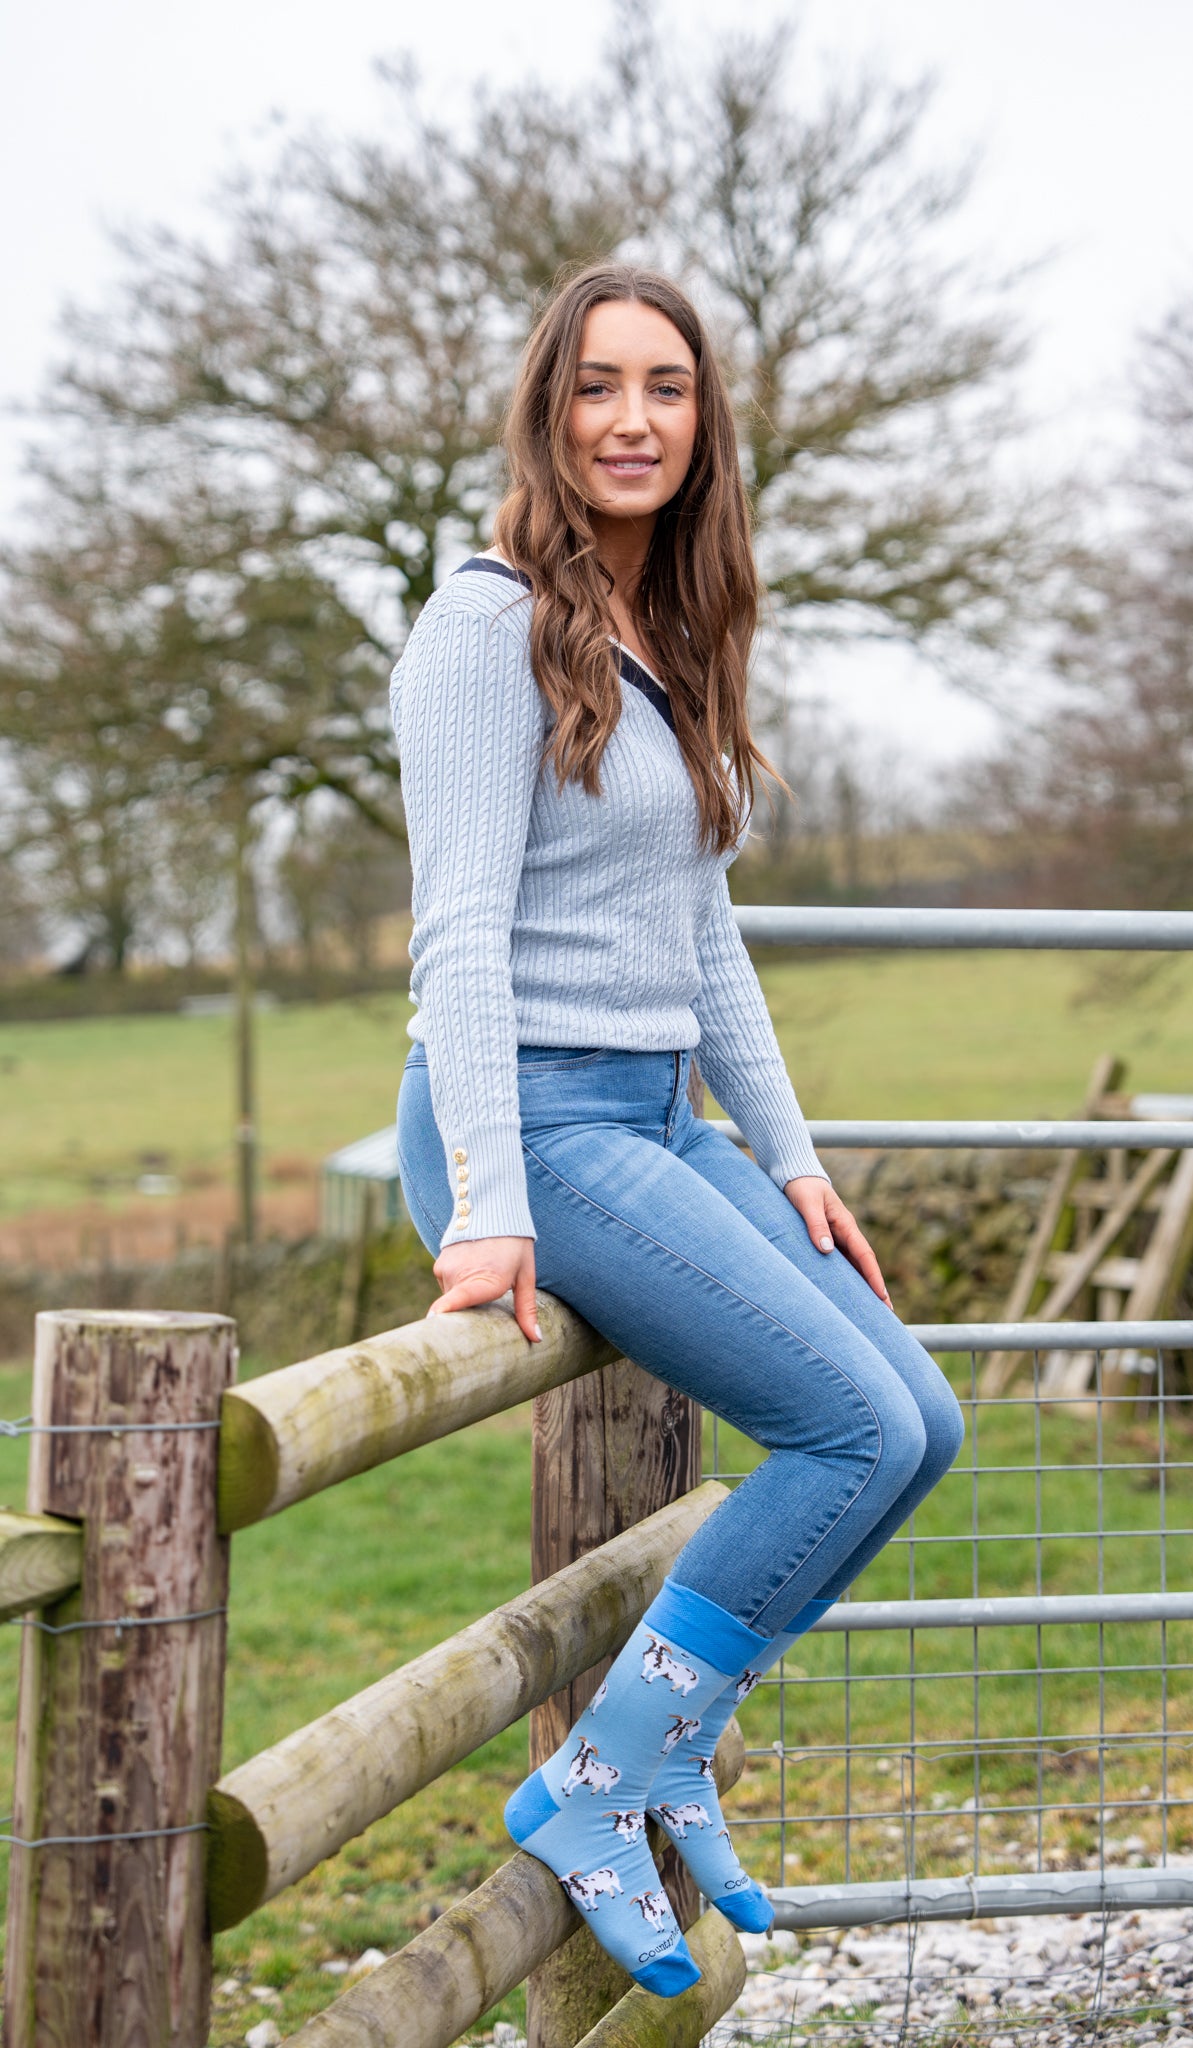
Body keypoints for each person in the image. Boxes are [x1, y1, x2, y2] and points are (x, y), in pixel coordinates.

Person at [392, 262, 963, 1997]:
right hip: (534, 1125)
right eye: (594, 388)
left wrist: (791, 1157)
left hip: (658, 1108)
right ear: (544, 415)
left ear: (704, 421)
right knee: (843, 1434)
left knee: (921, 1422)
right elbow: (456, 939)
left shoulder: (674, 631)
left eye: (666, 388)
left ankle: (654, 1747)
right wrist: (486, 1198)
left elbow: (705, 935)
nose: (631, 420)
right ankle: (593, 1781)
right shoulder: (482, 633)